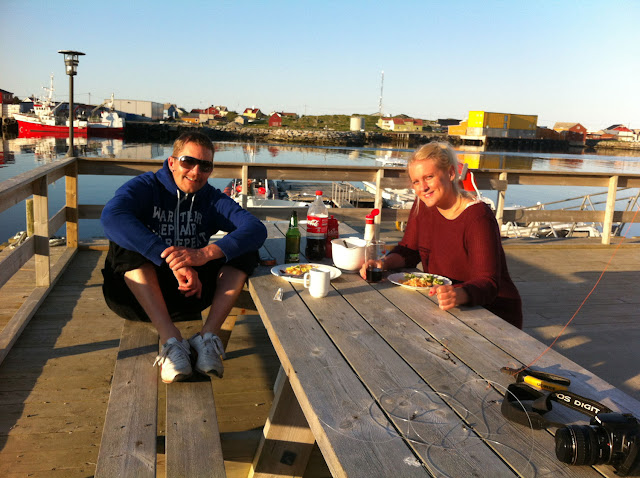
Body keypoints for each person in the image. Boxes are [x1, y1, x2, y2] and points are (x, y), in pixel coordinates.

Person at [101, 132, 267, 383]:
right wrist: (171, 260)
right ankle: (171, 340)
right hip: (135, 298)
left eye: (205, 165)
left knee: (245, 249)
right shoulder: (146, 187)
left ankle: (207, 337)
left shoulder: (211, 199)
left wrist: (204, 254)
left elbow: (256, 229)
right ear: (172, 162)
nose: (196, 171)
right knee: (124, 244)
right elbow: (112, 217)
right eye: (188, 162)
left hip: (189, 294)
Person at [361, 142, 523, 328]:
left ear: (451, 173)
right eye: (416, 181)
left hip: (493, 314)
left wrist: (458, 294)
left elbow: (488, 283)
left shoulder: (478, 217)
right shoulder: (423, 205)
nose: (423, 188)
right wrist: (384, 263)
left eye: (429, 177)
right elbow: (409, 250)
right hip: (446, 306)